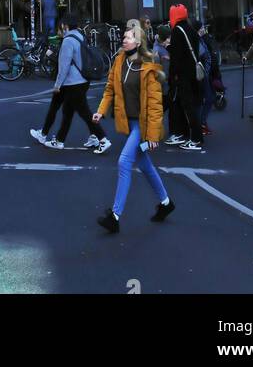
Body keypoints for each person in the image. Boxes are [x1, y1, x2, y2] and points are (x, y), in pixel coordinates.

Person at [94, 20, 174, 232]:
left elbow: (156, 105)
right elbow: (110, 88)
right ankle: (166, 203)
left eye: (128, 37)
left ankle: (115, 216)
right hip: (128, 123)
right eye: (124, 37)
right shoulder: (120, 60)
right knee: (145, 164)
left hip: (142, 124)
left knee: (124, 161)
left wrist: (154, 136)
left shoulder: (148, 69)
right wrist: (101, 111)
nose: (124, 39)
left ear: (138, 42)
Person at [31, 13, 111, 152]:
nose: (60, 30)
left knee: (83, 112)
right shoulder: (80, 36)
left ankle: (102, 138)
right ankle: (58, 139)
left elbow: (64, 66)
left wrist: (57, 85)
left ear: (64, 26)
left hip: (71, 83)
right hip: (82, 80)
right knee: (67, 111)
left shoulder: (68, 41)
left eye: (61, 27)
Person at [165, 3, 204, 151]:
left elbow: (177, 56)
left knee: (186, 107)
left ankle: (195, 138)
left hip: (182, 76)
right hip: (193, 73)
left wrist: (172, 75)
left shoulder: (177, 31)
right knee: (187, 105)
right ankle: (187, 134)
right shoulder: (190, 29)